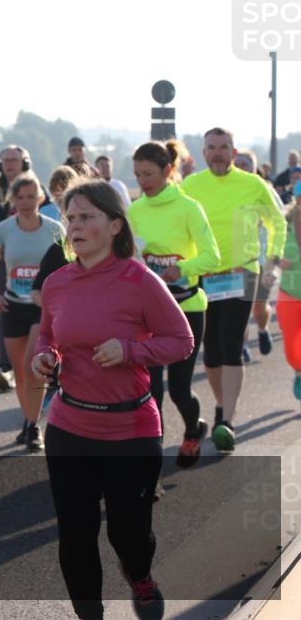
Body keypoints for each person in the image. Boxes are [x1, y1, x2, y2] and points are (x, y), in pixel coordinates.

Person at [33, 180, 194, 620]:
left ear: (115, 224)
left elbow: (181, 340)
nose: (75, 226)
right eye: (70, 218)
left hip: (130, 427)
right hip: (70, 425)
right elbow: (48, 336)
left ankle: (139, 575)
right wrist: (44, 358)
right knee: (76, 533)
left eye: (87, 217)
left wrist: (131, 350)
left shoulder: (140, 281)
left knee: (129, 533)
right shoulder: (57, 283)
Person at [181, 128, 286, 452]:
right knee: (210, 351)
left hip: (244, 272)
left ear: (233, 150)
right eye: (211, 148)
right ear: (203, 153)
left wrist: (273, 260)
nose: (217, 153)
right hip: (204, 276)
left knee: (231, 343)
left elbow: (277, 222)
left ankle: (227, 419)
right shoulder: (190, 186)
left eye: (223, 147)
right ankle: (222, 405)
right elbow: (178, 224)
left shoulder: (254, 184)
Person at [129, 141, 220, 471]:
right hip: (148, 312)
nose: (142, 181)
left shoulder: (189, 207)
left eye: (149, 173)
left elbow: (213, 255)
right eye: (137, 174)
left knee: (180, 388)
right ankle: (153, 463)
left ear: (168, 170)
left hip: (188, 307)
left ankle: (194, 431)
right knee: (151, 388)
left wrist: (182, 268)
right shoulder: (134, 211)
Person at [0, 173, 65, 450]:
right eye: (21, 197)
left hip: (43, 307)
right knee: (19, 371)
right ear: (12, 200)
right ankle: (28, 420)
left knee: (34, 363)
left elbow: (69, 268)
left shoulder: (55, 229)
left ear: (41, 198)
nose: (26, 202)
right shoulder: (4, 229)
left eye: (32, 197)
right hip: (12, 305)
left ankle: (33, 426)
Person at [0, 145, 37, 392]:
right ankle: (7, 366)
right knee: (5, 307)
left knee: (38, 310)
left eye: (14, 159)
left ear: (24, 162)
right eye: (5, 160)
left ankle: (40, 359)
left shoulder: (34, 187)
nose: (9, 164)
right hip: (5, 259)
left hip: (34, 258)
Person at [235, 149, 282, 359]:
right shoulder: (227, 190)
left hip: (261, 256)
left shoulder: (264, 189)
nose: (240, 167)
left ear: (254, 168)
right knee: (240, 305)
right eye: (238, 164)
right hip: (236, 258)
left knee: (259, 307)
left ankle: (262, 330)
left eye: (245, 164)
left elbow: (280, 219)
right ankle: (242, 345)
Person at [279, 181, 301, 399]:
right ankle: (298, 371)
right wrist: (277, 258)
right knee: (291, 351)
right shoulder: (284, 222)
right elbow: (269, 246)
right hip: (289, 292)